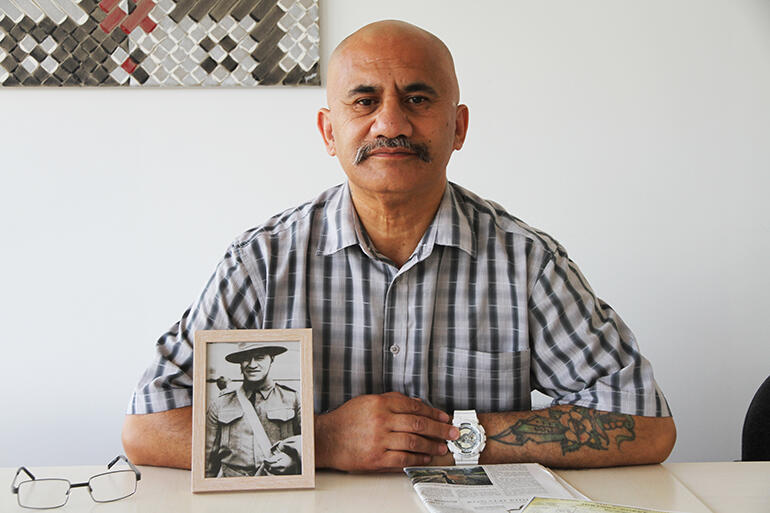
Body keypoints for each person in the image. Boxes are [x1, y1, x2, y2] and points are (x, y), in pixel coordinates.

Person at [122, 20, 676, 472]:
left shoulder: (526, 263)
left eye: (417, 98)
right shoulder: (263, 262)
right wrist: (323, 440)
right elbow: (149, 427)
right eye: (363, 101)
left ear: (457, 128)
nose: (391, 122)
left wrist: (450, 436)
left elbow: (646, 426)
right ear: (328, 131)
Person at [205, 343, 301, 477]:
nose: (252, 364)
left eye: (259, 357)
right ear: (240, 363)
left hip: (278, 485)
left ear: (272, 358)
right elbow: (207, 463)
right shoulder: (220, 404)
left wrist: (294, 459)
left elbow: (309, 443)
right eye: (246, 358)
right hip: (234, 487)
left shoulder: (293, 398)